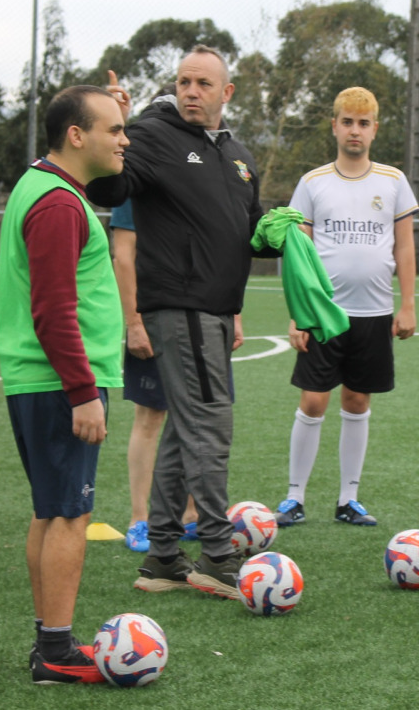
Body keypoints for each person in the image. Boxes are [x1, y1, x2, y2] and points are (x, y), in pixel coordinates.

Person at [86, 45, 267, 601]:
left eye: (203, 84)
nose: (191, 91)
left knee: (184, 434)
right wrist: (111, 137)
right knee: (210, 426)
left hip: (215, 310)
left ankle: (162, 557)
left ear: (225, 93)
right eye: (184, 81)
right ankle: (216, 553)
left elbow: (246, 232)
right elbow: (109, 188)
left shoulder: (237, 154)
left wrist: (282, 233)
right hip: (179, 306)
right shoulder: (154, 134)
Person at [0, 84, 128, 683]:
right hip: (58, 384)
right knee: (69, 515)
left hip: (41, 381)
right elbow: (53, 308)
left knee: (50, 512)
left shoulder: (45, 188)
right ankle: (56, 651)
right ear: (77, 136)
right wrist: (81, 392)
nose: (124, 140)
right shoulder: (57, 204)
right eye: (114, 129)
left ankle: (48, 638)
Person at [273, 87, 418, 529]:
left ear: (375, 130)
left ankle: (348, 499)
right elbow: (297, 252)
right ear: (334, 126)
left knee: (357, 400)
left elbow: (405, 245)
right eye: (348, 122)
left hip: (374, 313)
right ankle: (294, 497)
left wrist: (407, 304)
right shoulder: (313, 183)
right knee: (314, 400)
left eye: (364, 123)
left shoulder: (392, 181)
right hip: (324, 314)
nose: (355, 131)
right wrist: (299, 314)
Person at [108, 84, 198, 552]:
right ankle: (140, 518)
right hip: (153, 317)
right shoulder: (137, 177)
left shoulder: (195, 169)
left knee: (195, 417)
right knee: (151, 417)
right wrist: (134, 321)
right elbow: (123, 255)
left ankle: (189, 513)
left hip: (197, 316)